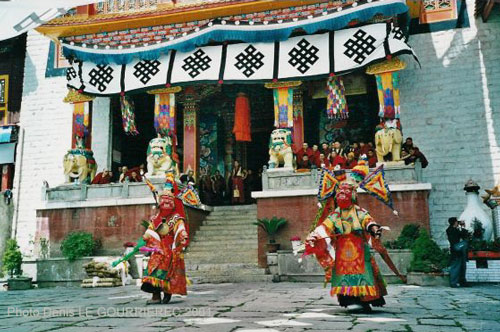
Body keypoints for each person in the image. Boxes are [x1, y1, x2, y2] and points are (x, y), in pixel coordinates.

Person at [307, 177, 387, 312]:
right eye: (339, 192)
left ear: (353, 195)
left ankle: (365, 301)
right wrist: (314, 236)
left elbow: (367, 221)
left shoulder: (359, 211)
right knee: (344, 277)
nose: (341, 194)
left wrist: (374, 228)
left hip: (359, 250)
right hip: (342, 252)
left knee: (363, 274)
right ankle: (350, 301)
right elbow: (325, 227)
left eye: (346, 191)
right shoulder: (335, 214)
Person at [141, 175, 189, 304]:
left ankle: (167, 293)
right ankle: (155, 296)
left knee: (169, 272)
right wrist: (148, 234)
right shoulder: (157, 217)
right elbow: (151, 229)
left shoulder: (176, 217)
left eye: (169, 200)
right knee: (153, 270)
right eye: (164, 199)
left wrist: (182, 234)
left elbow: (180, 228)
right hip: (157, 249)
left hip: (170, 248)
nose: (166, 202)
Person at [446, 217, 470, 288]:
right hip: (456, 250)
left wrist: (460, 227)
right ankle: (454, 282)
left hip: (456, 250)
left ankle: (461, 281)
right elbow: (464, 235)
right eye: (457, 222)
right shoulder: (452, 230)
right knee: (456, 267)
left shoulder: (451, 229)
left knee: (461, 266)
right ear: (454, 222)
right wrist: (462, 227)